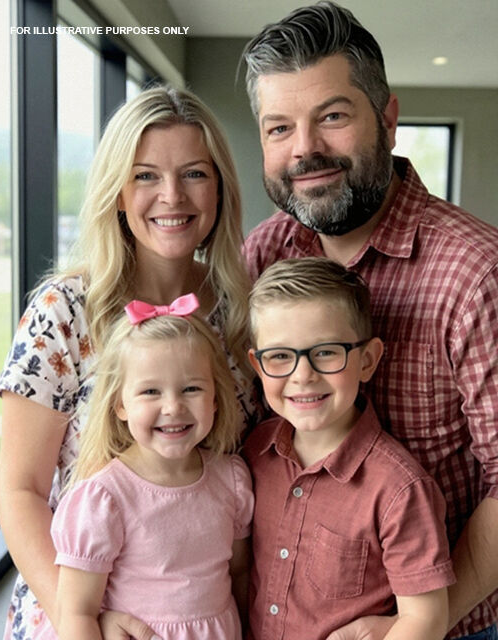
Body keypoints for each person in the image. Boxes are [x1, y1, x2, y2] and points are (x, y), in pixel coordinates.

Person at [241, 2, 498, 639]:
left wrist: (415, 624)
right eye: (279, 128)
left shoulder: (476, 274)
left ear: (387, 119)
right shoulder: (264, 254)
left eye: (332, 116)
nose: (305, 149)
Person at [0, 85, 256, 640]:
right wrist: (81, 617)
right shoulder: (64, 311)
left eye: (194, 173)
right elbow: (20, 492)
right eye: (145, 176)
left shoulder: (243, 313)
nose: (171, 196)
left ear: (220, 188)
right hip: (76, 613)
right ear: (116, 192)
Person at [243, 257, 455, 640]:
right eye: (280, 356)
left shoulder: (399, 489)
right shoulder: (253, 452)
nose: (302, 375)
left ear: (368, 360)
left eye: (326, 352)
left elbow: (425, 620)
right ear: (258, 366)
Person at [49, 296, 253, 640]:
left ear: (215, 399)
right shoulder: (103, 499)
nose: (172, 406)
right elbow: (76, 613)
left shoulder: (232, 479)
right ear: (120, 405)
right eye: (150, 391)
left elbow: (241, 574)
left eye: (191, 388)